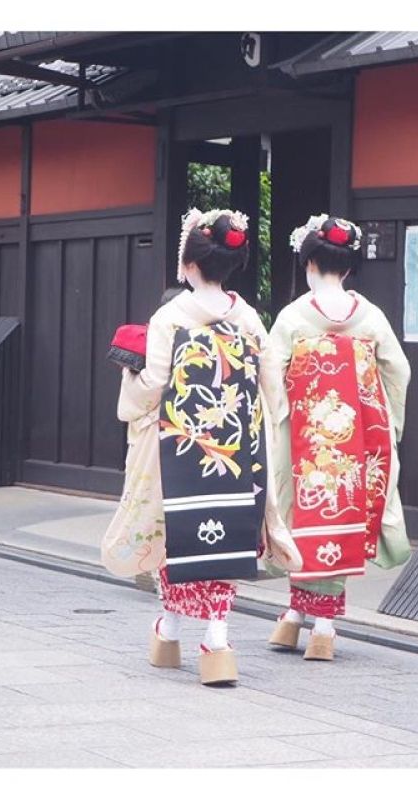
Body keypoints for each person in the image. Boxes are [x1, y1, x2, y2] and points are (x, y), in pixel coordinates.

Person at [108, 207, 299, 686]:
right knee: (231, 532)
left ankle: (169, 629)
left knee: (179, 534)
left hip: (181, 445)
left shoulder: (171, 316)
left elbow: (152, 383)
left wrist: (128, 383)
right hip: (237, 448)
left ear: (189, 265)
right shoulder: (250, 317)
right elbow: (271, 382)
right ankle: (215, 635)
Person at [266, 214, 412, 660]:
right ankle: (316, 624)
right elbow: (398, 370)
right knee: (344, 514)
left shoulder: (294, 316)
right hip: (358, 436)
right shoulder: (370, 317)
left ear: (309, 263)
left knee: (302, 517)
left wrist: (281, 418)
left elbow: (270, 371)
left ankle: (302, 621)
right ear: (347, 268)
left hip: (306, 439)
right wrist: (391, 423)